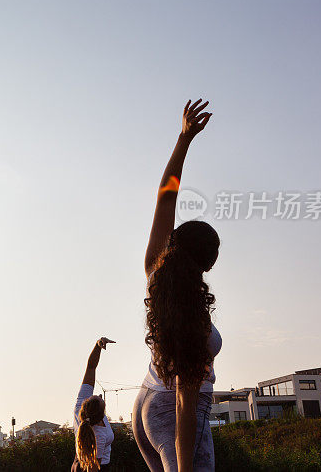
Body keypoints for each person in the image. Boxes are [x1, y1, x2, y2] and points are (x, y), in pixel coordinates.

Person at [131, 99, 221, 472]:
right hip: (175, 414)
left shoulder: (156, 274)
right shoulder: (193, 320)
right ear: (208, 263)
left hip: (146, 404)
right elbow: (186, 402)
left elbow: (166, 195)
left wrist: (183, 140)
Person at [72, 337, 116, 472]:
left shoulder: (81, 404)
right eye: (99, 398)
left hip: (79, 464)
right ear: (102, 414)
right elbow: (93, 468)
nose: (98, 395)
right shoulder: (99, 434)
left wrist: (98, 346)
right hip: (95, 468)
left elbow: (91, 367)